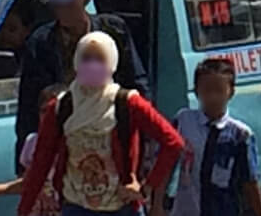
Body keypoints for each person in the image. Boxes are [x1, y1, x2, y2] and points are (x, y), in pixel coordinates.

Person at [16, 33, 183, 216]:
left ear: (112, 62)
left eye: (100, 58)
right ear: (77, 60)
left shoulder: (127, 102)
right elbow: (41, 163)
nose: (92, 64)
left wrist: (146, 187)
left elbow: (173, 142)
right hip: (76, 207)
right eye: (86, 58)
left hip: (121, 208)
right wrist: (24, 210)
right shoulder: (61, 107)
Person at [17, 0, 146, 167]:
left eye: (69, 3)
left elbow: (136, 81)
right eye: (57, 4)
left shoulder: (113, 31)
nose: (63, 10)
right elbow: (28, 102)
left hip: (110, 131)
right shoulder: (41, 42)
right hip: (65, 137)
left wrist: (142, 141)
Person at [170, 59, 261, 216]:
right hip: (187, 209)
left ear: (231, 92)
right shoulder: (184, 121)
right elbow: (167, 161)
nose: (213, 97)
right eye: (207, 90)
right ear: (196, 91)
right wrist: (157, 202)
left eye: (219, 91)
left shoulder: (240, 135)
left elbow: (251, 181)